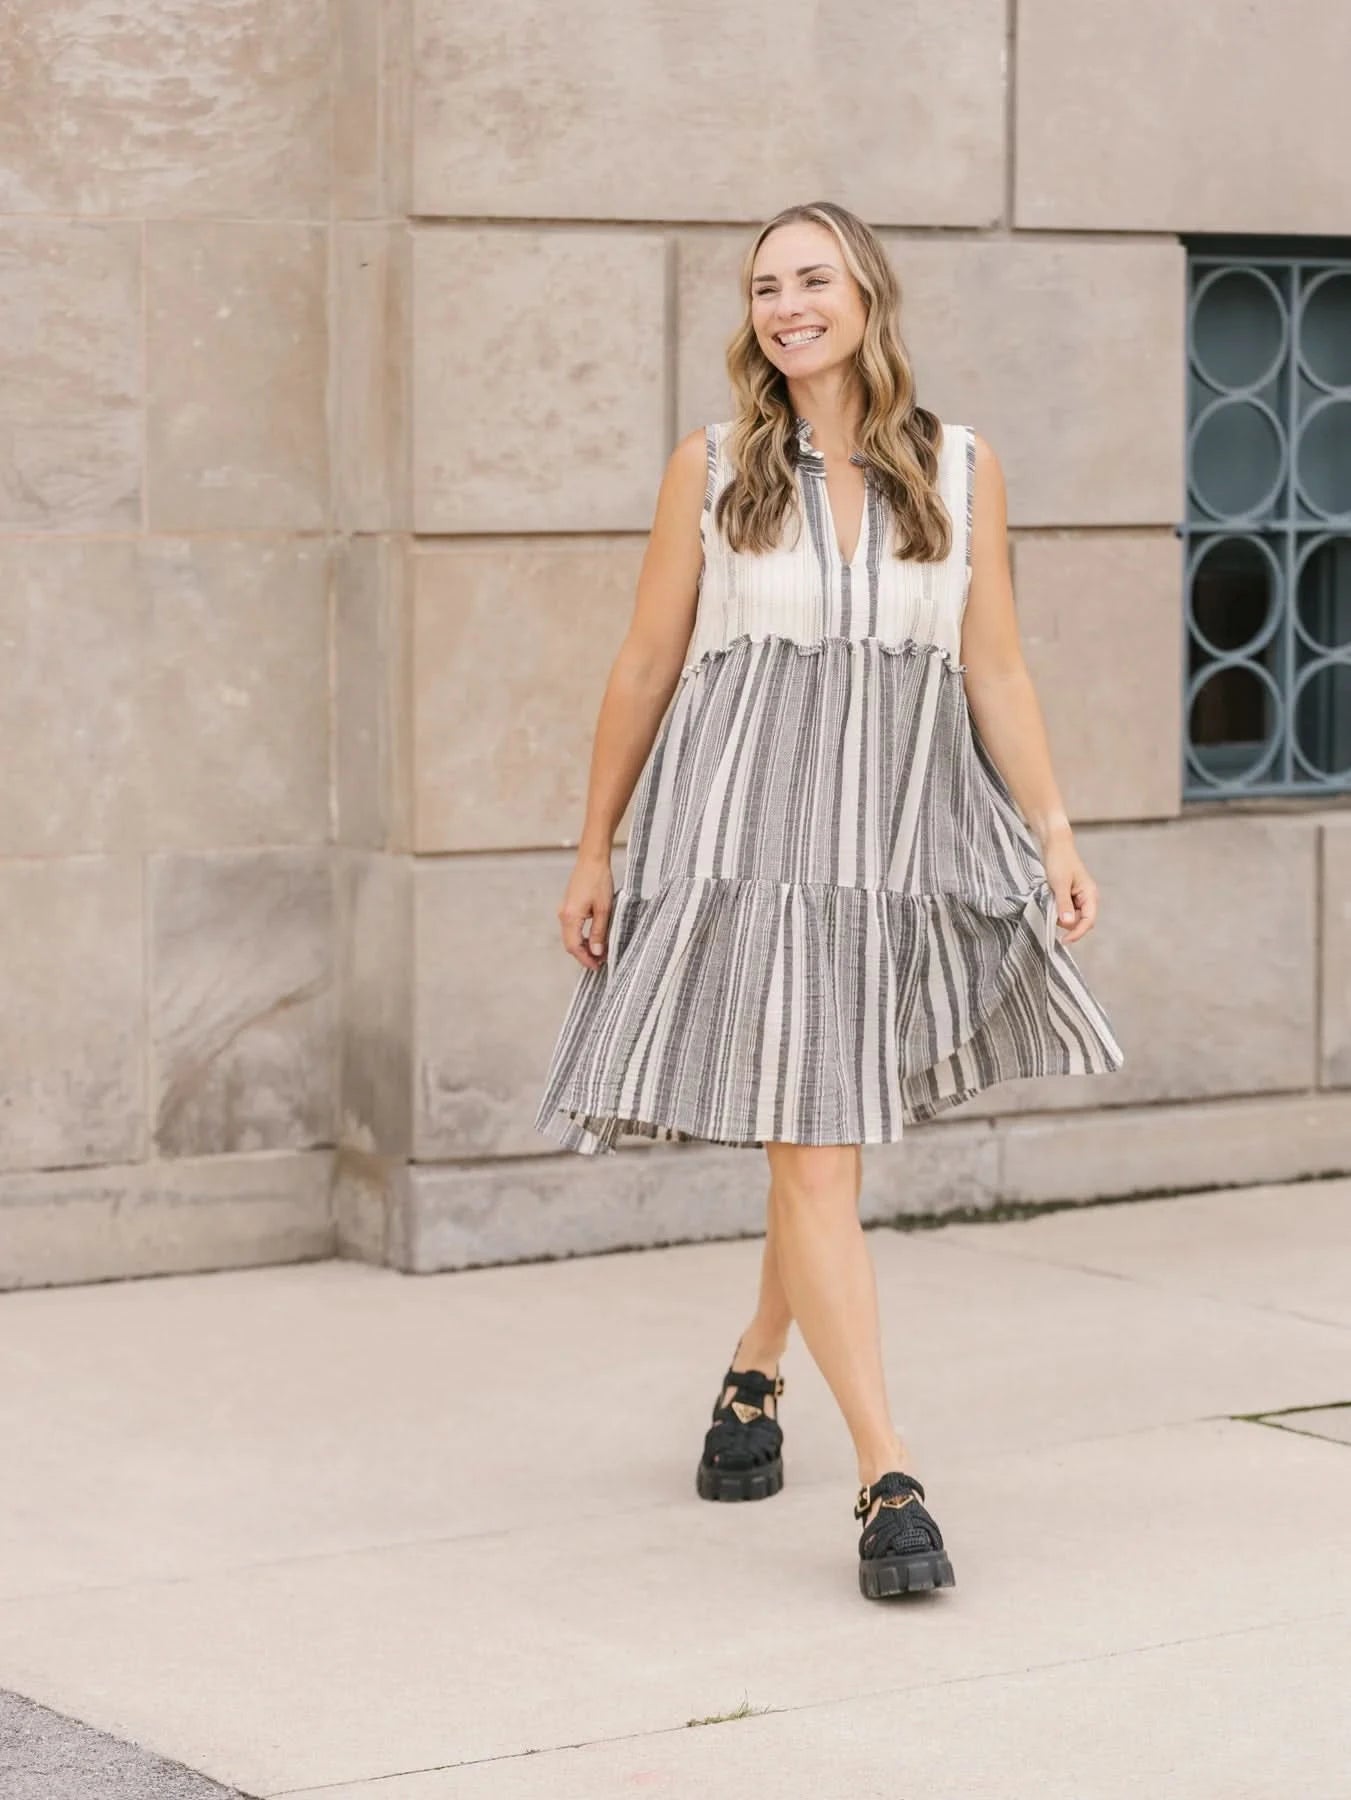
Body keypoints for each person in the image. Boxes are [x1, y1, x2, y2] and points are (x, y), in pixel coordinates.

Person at [533, 200, 1125, 1601]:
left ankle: (756, 1365)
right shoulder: (713, 465)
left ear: (867, 295)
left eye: (812, 279)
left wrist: (1054, 828)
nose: (788, 305)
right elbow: (645, 665)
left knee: (820, 1156)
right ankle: (887, 1477)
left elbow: (995, 666)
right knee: (814, 1157)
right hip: (741, 850)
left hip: (892, 855)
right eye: (765, 287)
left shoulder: (961, 468)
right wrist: (594, 846)